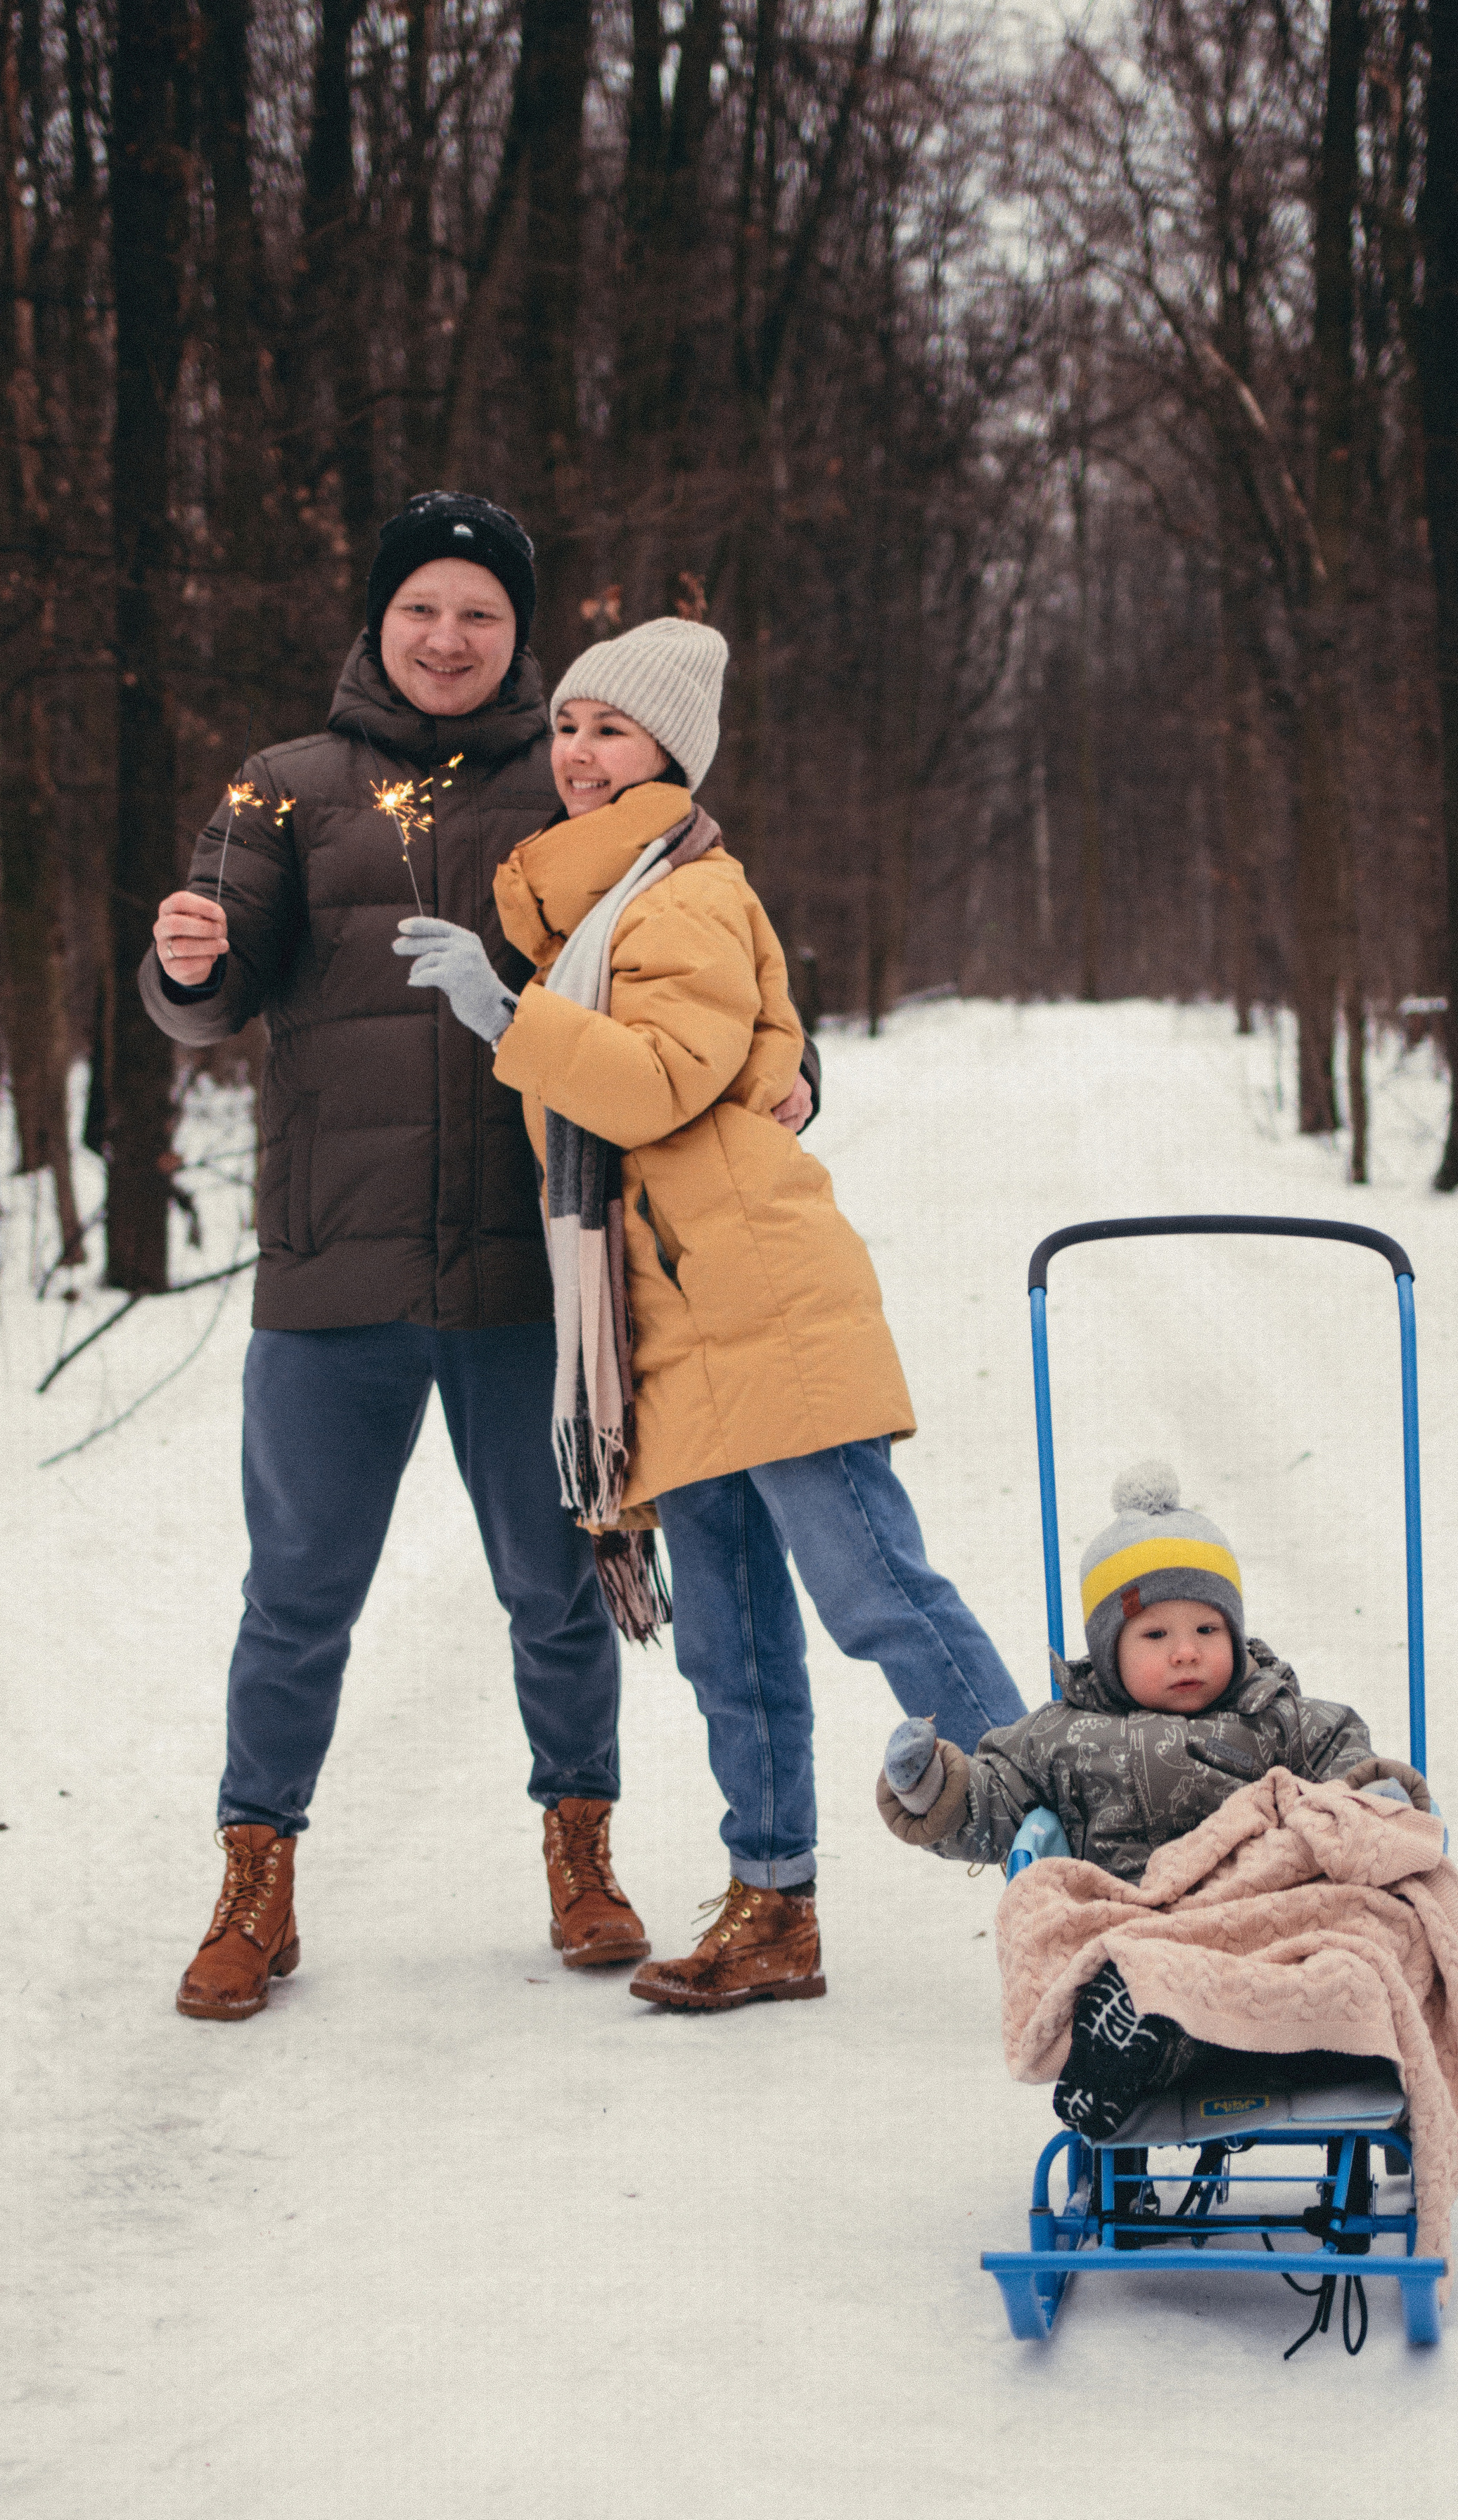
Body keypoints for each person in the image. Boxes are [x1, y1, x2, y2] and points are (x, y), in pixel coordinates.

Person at [143, 493, 814, 2024]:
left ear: (519, 636)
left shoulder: (580, 782)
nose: (447, 638)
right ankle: (258, 1878)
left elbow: (715, 955)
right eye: (421, 609)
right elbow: (210, 980)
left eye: (481, 615)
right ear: (377, 621)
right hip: (333, 1264)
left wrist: (787, 1067)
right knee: (299, 1589)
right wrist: (184, 968)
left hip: (533, 1269)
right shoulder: (282, 788)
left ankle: (579, 1846)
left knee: (558, 1581)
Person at [396, 614, 1028, 2013]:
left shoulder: (677, 893)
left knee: (873, 1594)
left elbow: (664, 1080)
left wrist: (507, 1017)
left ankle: (1068, 1853)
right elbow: (757, 1052)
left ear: (668, 749)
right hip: (666, 1321)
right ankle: (772, 1906)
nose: (574, 751)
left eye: (607, 729)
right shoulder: (601, 904)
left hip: (754, 1296)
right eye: (563, 724)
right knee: (727, 1640)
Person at [876, 1462, 1428, 2133]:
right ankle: (1136, 2045)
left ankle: (1345, 2044)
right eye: (1155, 1636)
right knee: (1127, 1958)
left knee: (1363, 1938)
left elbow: (1346, 1771)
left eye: (1207, 1631)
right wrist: (935, 1785)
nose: (1186, 1654)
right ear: (1109, 1651)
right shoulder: (1061, 1736)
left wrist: (1375, 1799)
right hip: (1140, 1927)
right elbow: (993, 1807)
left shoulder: (1281, 1717)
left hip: (1267, 1921)